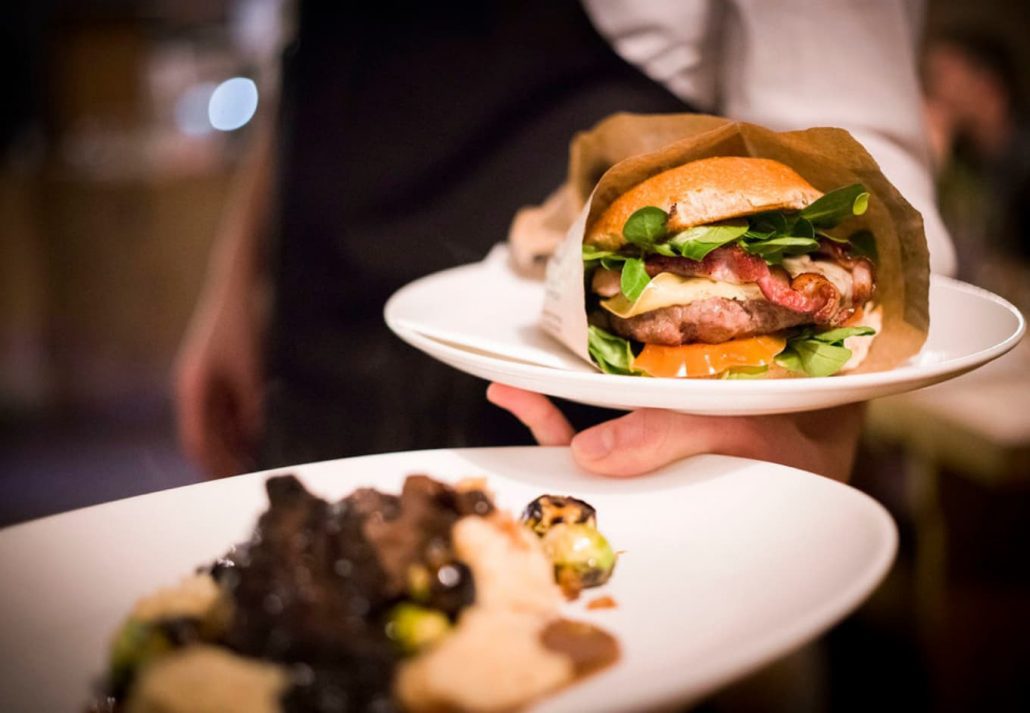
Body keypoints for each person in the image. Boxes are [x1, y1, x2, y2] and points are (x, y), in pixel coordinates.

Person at [176, 0, 954, 483]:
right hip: (314, 332)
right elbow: (305, 55)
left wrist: (820, 425)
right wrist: (231, 281)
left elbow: (853, 143)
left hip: (567, 416)